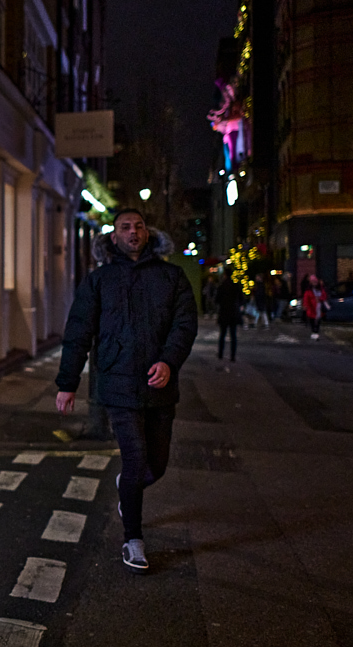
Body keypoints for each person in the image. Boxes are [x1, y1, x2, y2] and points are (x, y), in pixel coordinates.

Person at [55, 209, 198, 573]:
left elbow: (184, 325)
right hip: (117, 384)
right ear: (114, 236)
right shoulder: (99, 280)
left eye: (138, 226)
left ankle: (127, 488)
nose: (133, 232)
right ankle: (133, 539)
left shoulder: (171, 277)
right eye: (125, 227)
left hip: (160, 385)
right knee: (135, 459)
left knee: (157, 466)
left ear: (148, 233)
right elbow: (78, 332)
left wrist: (169, 362)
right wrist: (67, 384)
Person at [215, 271, 243, 362]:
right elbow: (241, 299)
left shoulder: (221, 286)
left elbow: (217, 300)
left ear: (224, 275)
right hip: (233, 313)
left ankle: (220, 354)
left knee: (222, 334)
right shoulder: (236, 286)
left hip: (224, 312)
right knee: (233, 335)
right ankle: (233, 355)